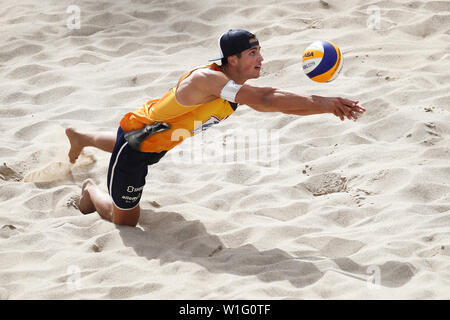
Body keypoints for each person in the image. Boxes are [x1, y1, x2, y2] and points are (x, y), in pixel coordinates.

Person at [66, 29, 366, 227]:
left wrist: (322, 103)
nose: (261, 58)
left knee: (138, 142)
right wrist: (325, 104)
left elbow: (271, 96)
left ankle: (80, 136)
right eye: (253, 54)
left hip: (158, 140)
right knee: (126, 221)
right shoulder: (206, 81)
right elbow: (265, 99)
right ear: (232, 59)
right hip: (136, 145)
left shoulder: (233, 83)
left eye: (260, 51)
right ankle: (91, 189)